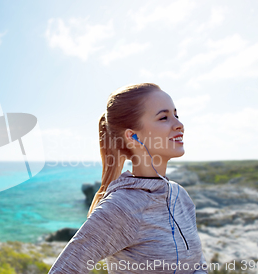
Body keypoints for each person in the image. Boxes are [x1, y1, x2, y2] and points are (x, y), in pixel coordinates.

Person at [49, 83, 208, 273]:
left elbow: (198, 265)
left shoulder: (180, 196)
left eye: (176, 115)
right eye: (164, 117)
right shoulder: (123, 206)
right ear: (133, 136)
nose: (179, 124)